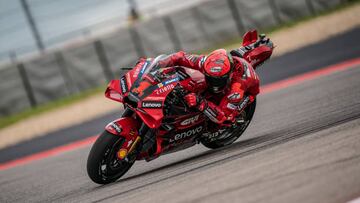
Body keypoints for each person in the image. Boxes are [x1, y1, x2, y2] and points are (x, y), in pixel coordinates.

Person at [135, 30, 274, 127]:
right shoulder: (203, 62)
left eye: (218, 80)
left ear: (229, 74)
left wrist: (201, 102)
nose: (214, 83)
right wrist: (156, 64)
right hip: (229, 63)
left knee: (228, 118)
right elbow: (178, 57)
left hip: (246, 91)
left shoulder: (238, 86)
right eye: (211, 77)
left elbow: (224, 116)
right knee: (188, 79)